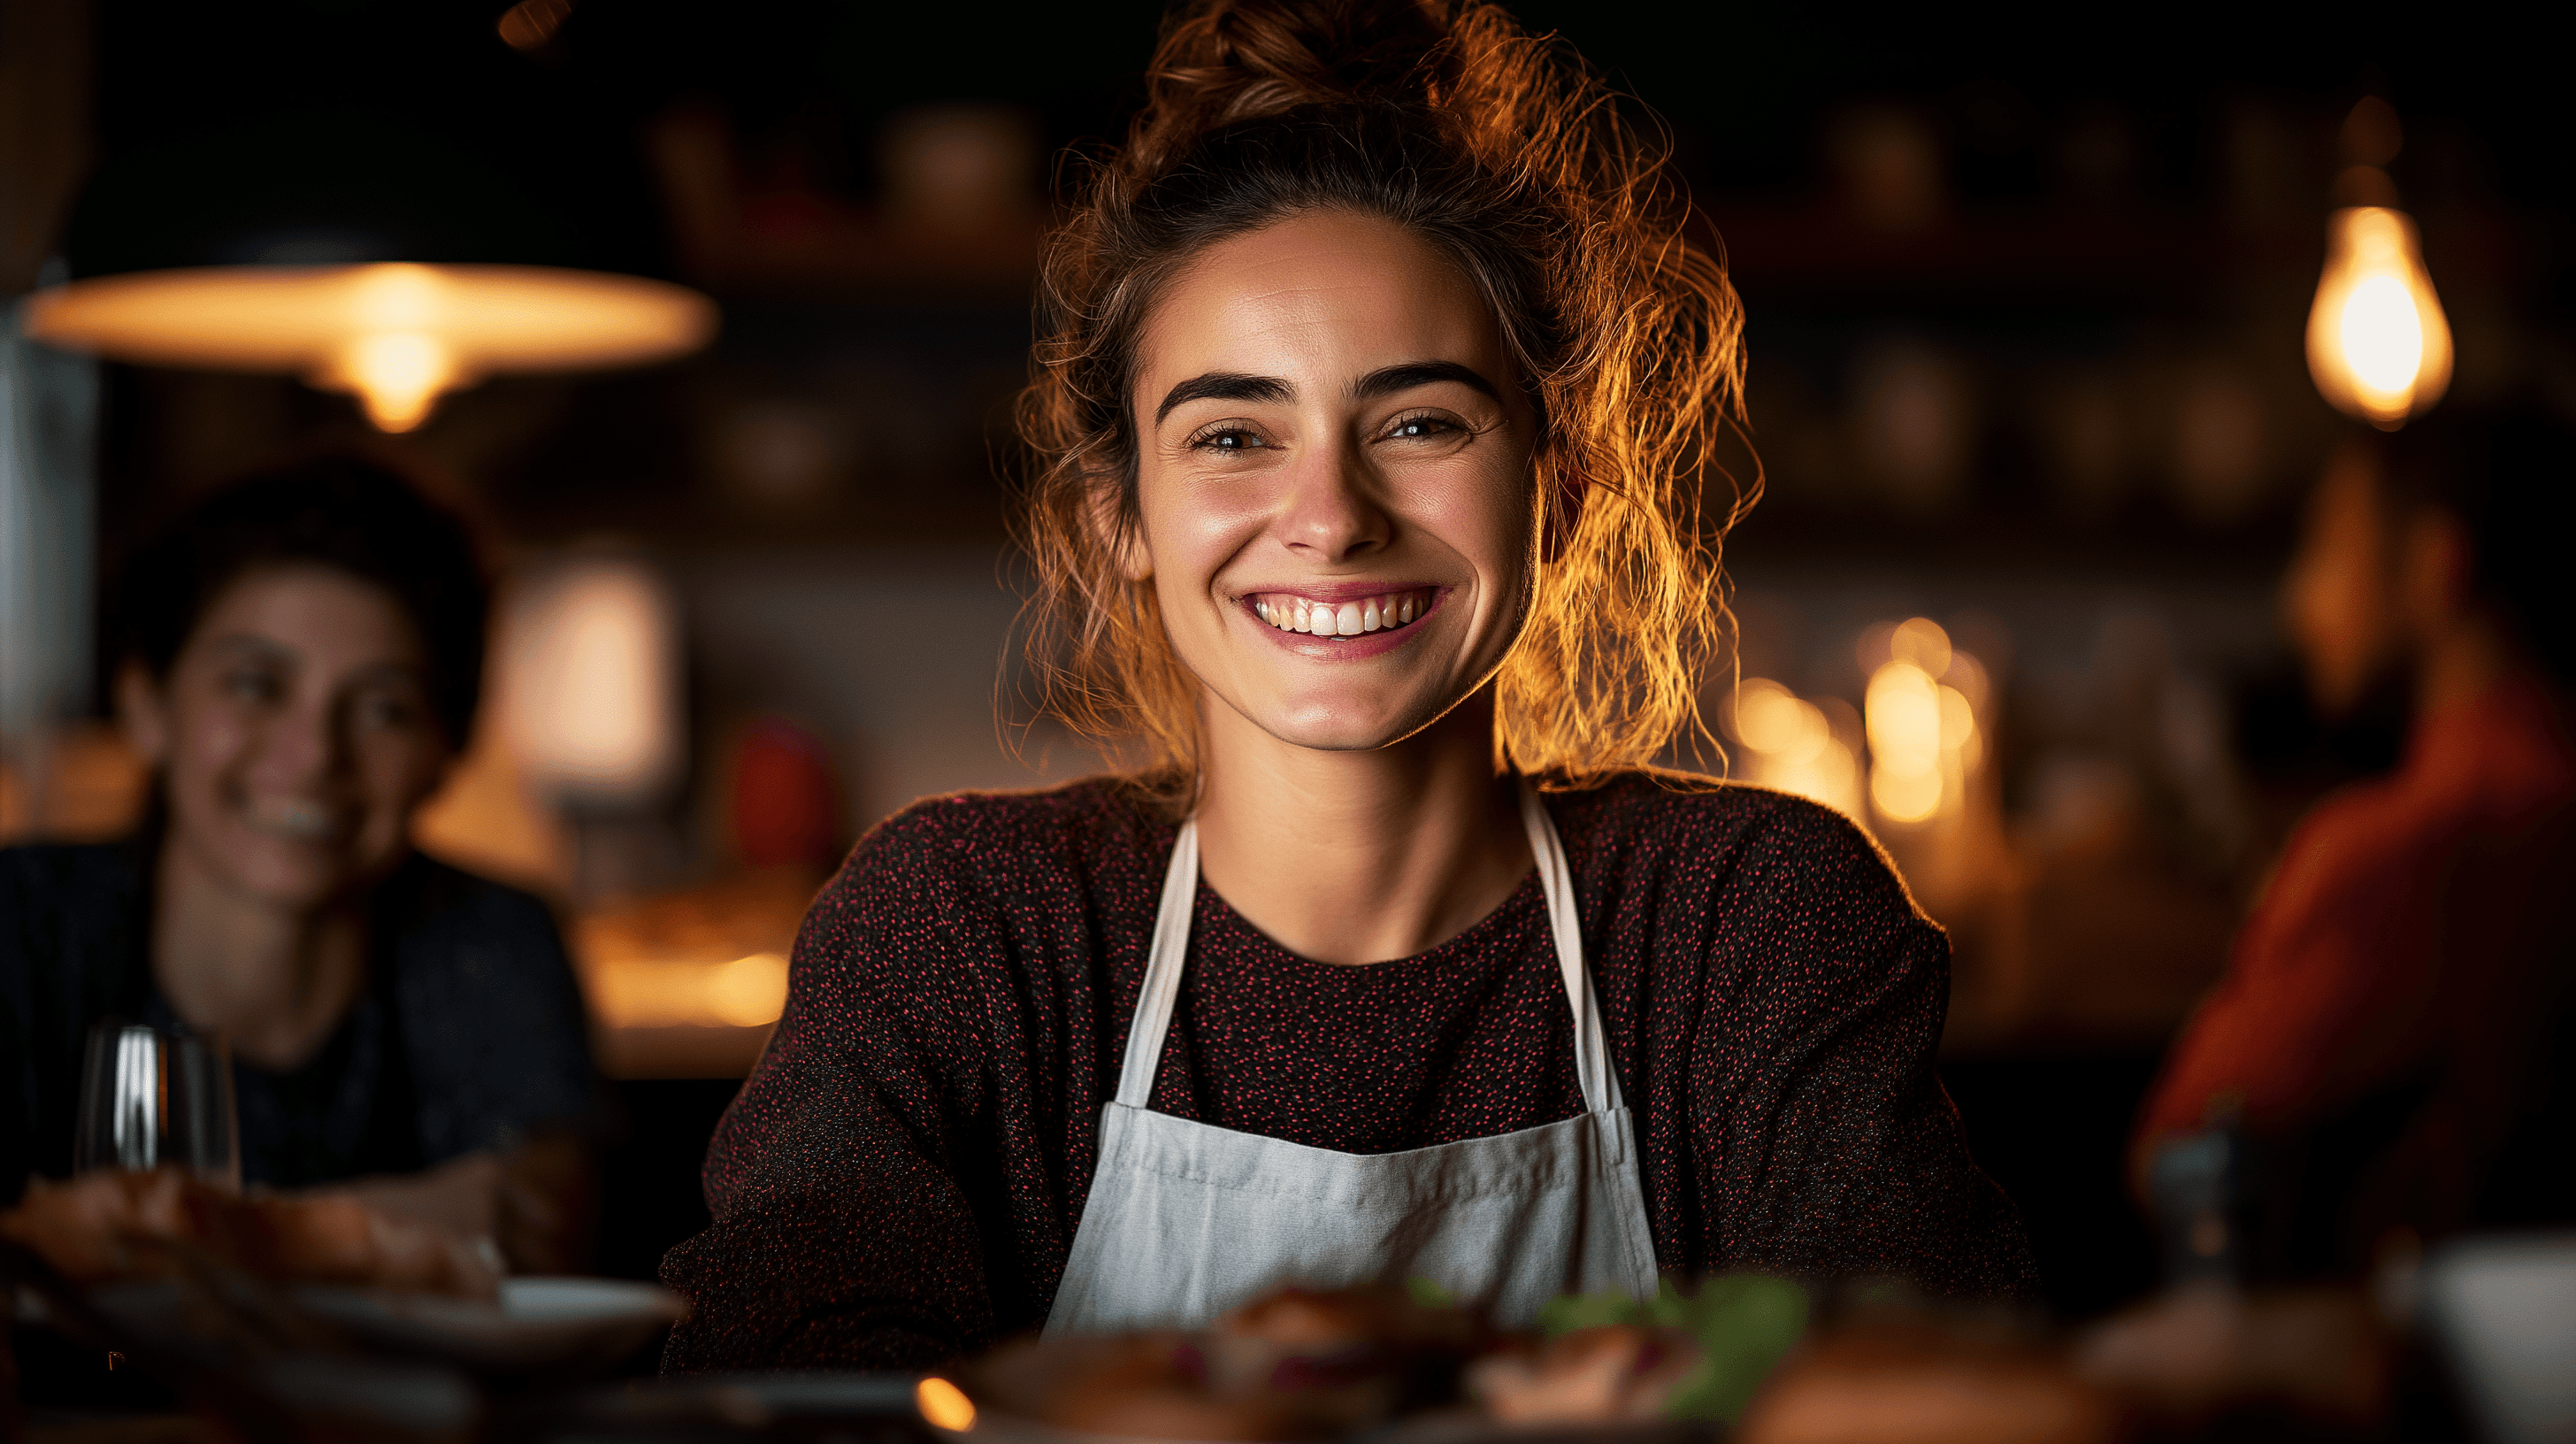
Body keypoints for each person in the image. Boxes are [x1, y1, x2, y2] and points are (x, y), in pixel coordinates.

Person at [659, 0, 2033, 1371]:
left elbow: (1931, 1389)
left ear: (1557, 491)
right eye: (1236, 433)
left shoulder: (1744, 923)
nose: (1330, 514)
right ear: (1118, 517)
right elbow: (791, 1384)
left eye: (1420, 422)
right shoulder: (965, 927)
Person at [0, 453, 602, 1272]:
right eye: (255, 684)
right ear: (145, 707)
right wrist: (355, 1237)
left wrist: (189, 1236)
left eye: (384, 707)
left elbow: (534, 1219)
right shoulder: (23, 919)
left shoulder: (491, 934)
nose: (315, 754)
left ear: (446, 753)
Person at [2135, 406, 2576, 1272]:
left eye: (2325, 550)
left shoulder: (2403, 847)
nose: (2298, 604)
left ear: (2431, 564)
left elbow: (2170, 1150)